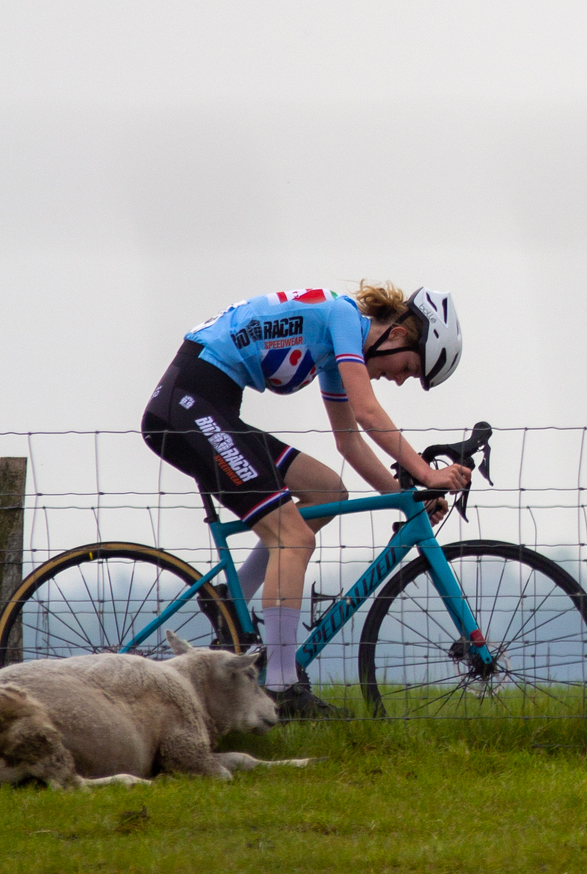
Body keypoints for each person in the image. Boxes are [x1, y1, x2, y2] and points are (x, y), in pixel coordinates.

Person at [141, 284, 471, 720]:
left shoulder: (338, 345)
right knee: (292, 537)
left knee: (327, 492)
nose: (400, 379)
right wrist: (427, 473)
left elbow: (350, 442)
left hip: (208, 408)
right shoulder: (342, 318)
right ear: (397, 334)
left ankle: (230, 597)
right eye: (409, 367)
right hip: (187, 407)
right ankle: (282, 686)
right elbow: (369, 413)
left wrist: (406, 498)